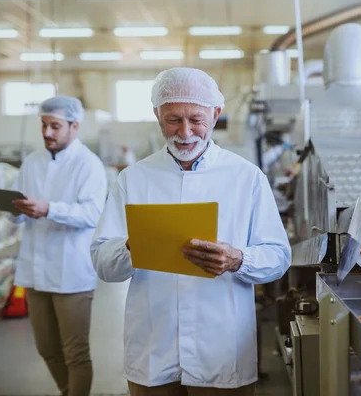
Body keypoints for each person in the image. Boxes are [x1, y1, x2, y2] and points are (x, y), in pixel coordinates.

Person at [91, 67, 291, 396]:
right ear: (157, 114)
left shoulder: (246, 178)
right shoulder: (134, 179)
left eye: (196, 119)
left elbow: (279, 256)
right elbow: (102, 262)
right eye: (173, 119)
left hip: (222, 347)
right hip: (153, 347)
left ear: (216, 113)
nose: (185, 132)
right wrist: (133, 245)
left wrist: (238, 259)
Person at [10, 96, 108, 396]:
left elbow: (92, 214)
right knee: (46, 348)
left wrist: (49, 209)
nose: (47, 133)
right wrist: (15, 210)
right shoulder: (33, 161)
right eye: (44, 125)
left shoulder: (89, 164)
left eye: (55, 126)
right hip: (35, 270)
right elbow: (19, 210)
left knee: (75, 352)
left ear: (74, 126)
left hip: (71, 273)